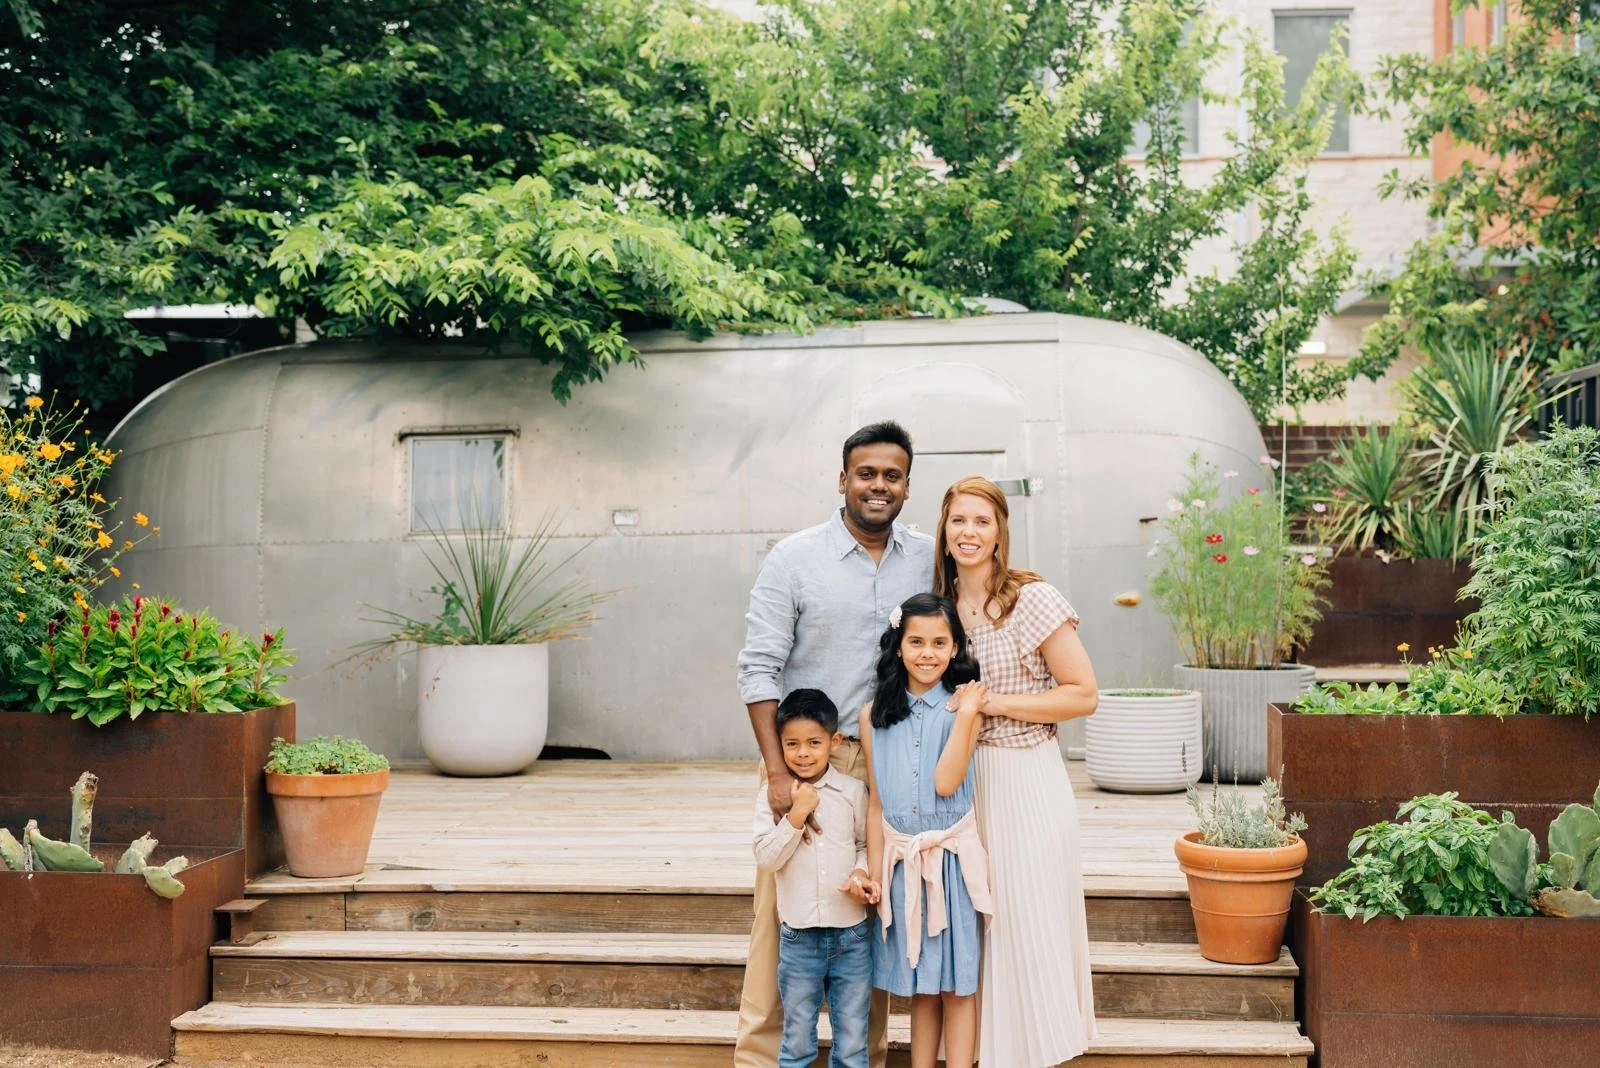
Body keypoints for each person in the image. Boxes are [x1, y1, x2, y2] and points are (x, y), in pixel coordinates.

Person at [735, 421, 935, 1068]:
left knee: (868, 910)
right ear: (843, 479)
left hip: (894, 759)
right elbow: (759, 667)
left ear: (907, 484)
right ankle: (762, 1059)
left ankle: (864, 1058)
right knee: (778, 920)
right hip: (811, 761)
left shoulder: (926, 557)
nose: (879, 486)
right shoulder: (793, 558)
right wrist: (777, 772)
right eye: (867, 473)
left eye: (893, 475)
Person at [936, 475, 1100, 1067]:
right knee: (981, 927)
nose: (969, 532)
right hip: (965, 784)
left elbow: (1082, 695)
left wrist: (993, 704)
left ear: (1001, 530)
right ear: (944, 530)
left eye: (982, 521)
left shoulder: (1033, 599)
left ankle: (1040, 1050)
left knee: (1027, 918)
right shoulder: (941, 609)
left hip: (1027, 774)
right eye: (959, 521)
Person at [860, 593, 993, 1068]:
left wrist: (969, 712)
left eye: (940, 642)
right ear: (898, 646)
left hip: (950, 866)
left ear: (955, 647)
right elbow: (876, 805)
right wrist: (876, 876)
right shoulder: (873, 716)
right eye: (915, 641)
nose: (927, 653)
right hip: (902, 867)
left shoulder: (963, 707)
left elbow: (945, 781)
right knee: (921, 988)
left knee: (957, 985)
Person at [753, 689, 878, 1068]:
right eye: (792, 744)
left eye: (813, 743)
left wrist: (861, 871)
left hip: (851, 935)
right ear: (779, 745)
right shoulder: (772, 797)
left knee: (854, 1039)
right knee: (797, 1036)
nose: (803, 753)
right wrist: (796, 815)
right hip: (799, 938)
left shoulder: (853, 791)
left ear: (834, 742)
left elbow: (864, 843)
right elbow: (766, 857)